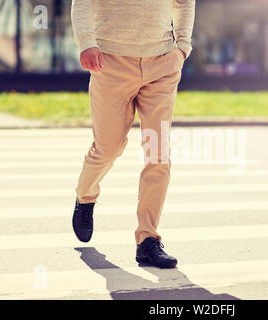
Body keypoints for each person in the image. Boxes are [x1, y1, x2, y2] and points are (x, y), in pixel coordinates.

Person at [71, 0, 195, 268]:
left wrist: (182, 47)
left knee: (158, 153)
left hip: (162, 64)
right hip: (109, 63)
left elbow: (184, 2)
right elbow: (81, 3)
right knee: (108, 148)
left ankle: (148, 239)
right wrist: (86, 43)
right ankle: (85, 196)